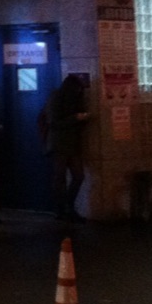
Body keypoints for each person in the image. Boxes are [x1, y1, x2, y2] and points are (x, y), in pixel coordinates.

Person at [48, 74, 90, 222]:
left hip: (72, 143)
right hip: (60, 143)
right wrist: (75, 119)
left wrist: (83, 118)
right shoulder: (57, 97)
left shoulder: (76, 99)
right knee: (60, 177)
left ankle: (68, 205)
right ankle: (61, 209)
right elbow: (54, 122)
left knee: (78, 176)